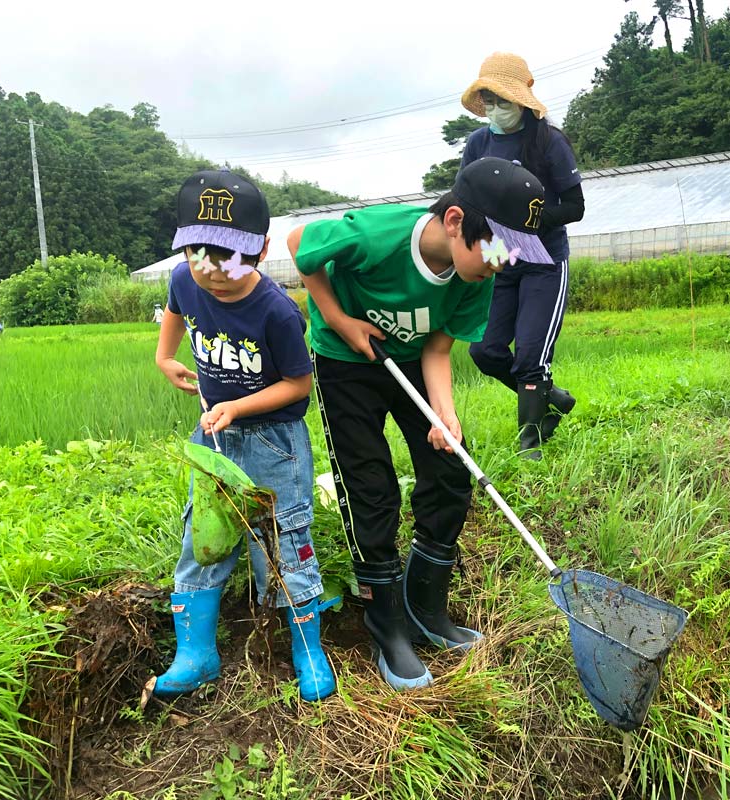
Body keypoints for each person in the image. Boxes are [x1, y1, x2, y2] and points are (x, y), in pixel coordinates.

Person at [288, 157, 550, 691]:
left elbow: (437, 346)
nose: (504, 262)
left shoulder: (477, 274)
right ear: (455, 221)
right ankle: (385, 618)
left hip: (410, 361)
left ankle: (425, 601)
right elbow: (298, 243)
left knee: (450, 464)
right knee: (370, 485)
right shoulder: (379, 235)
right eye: (498, 246)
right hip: (345, 363)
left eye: (514, 253)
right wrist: (339, 320)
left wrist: (444, 414)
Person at [153, 169, 336, 702]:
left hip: (273, 442)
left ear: (260, 247)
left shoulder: (276, 310)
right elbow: (175, 311)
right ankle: (196, 654)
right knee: (202, 540)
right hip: (215, 439)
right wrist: (165, 358)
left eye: (227, 256)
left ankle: (307, 649)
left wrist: (238, 405)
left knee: (284, 540)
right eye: (197, 253)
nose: (211, 270)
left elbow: (298, 384)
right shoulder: (187, 280)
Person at [460, 52, 586, 459]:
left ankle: (530, 445)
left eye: (503, 102)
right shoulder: (479, 143)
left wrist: (528, 219)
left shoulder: (549, 142)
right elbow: (466, 196)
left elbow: (575, 206)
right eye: (489, 102)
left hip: (545, 258)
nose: (496, 111)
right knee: (485, 350)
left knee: (530, 357)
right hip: (499, 254)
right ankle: (553, 397)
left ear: (522, 101)